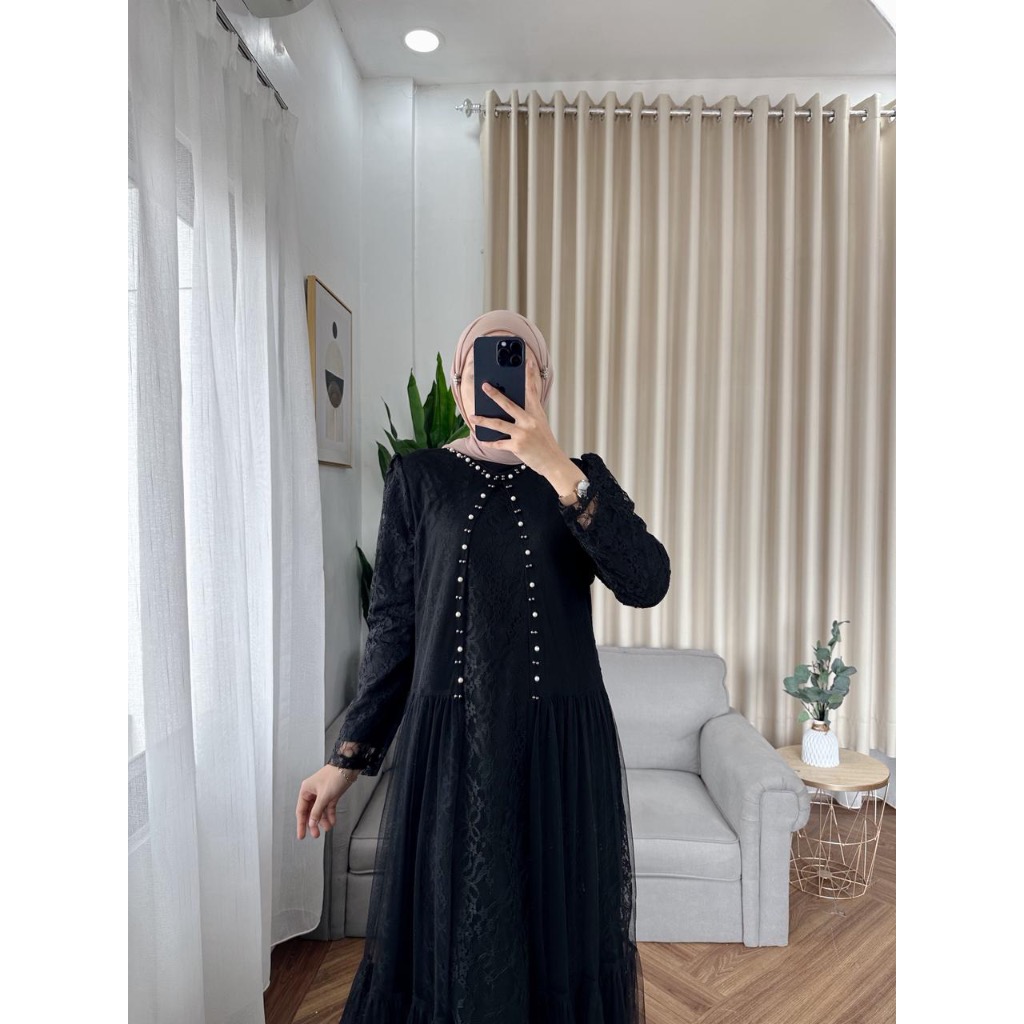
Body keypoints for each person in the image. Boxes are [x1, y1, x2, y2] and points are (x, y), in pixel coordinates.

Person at [295, 310, 671, 1023]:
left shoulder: (580, 479)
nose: (494, 384)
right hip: (452, 752)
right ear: (457, 384)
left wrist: (557, 467)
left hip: (559, 753)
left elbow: (647, 581)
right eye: (478, 370)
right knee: (459, 943)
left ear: (543, 383)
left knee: (554, 941)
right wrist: (344, 761)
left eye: (518, 367)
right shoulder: (418, 479)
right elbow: (393, 628)